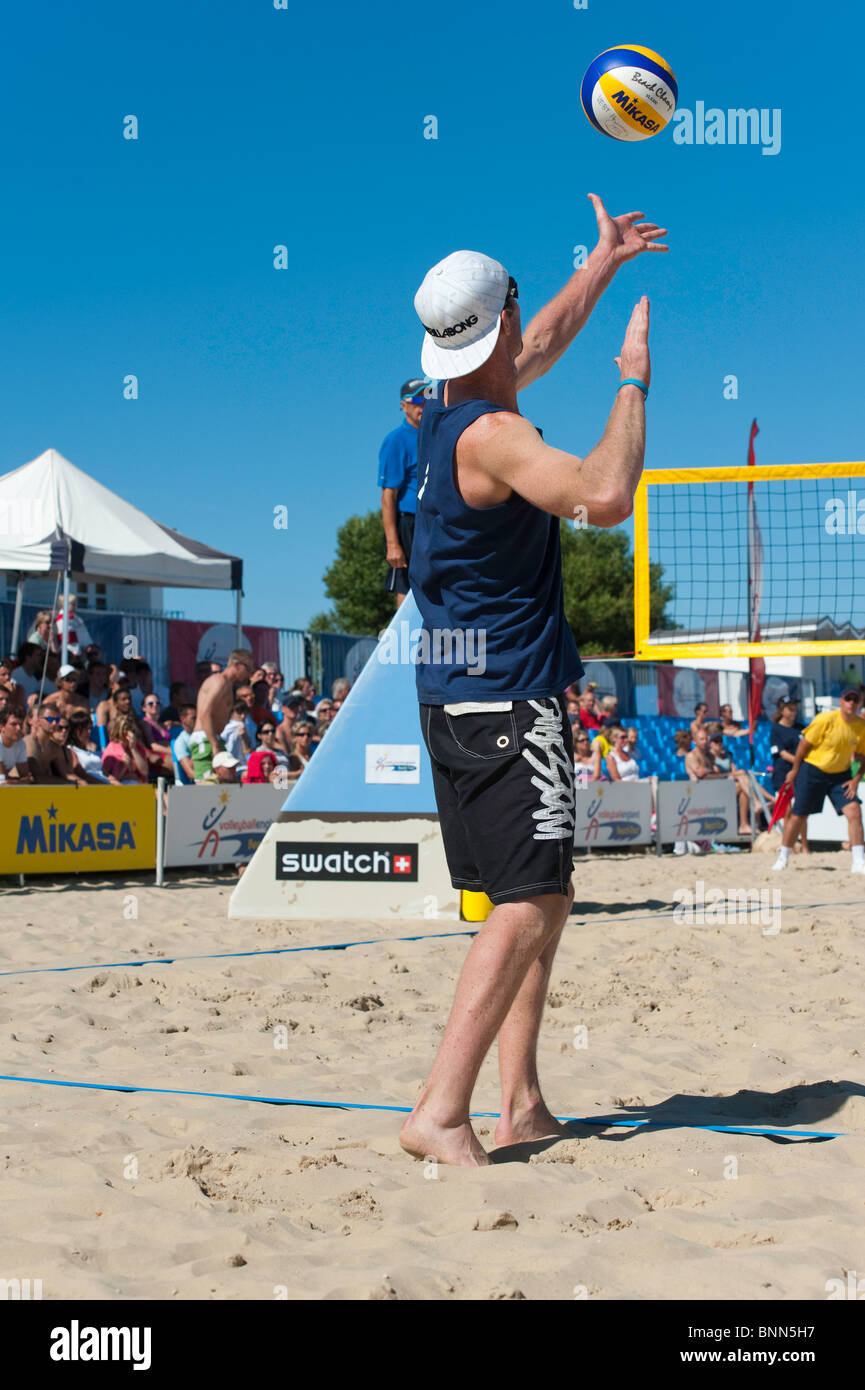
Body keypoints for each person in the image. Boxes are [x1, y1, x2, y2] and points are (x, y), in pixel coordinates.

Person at [400, 197, 667, 1167]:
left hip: (456, 699)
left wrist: (600, 263)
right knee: (522, 905)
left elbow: (537, 339)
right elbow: (601, 496)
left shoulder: (444, 411)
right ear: (496, 320)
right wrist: (632, 384)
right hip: (508, 701)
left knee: (539, 895)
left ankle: (520, 1102)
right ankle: (440, 1109)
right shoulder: (494, 437)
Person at [773, 687, 865, 874]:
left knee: (854, 810)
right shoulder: (826, 719)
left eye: (855, 700)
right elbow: (803, 745)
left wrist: (856, 780)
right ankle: (783, 857)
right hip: (812, 770)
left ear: (860, 703)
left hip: (840, 774)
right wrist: (795, 771)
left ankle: (858, 861)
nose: (851, 703)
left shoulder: (861, 727)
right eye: (848, 699)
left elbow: (863, 756)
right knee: (798, 816)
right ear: (841, 701)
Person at [380, 378, 430, 606]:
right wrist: (393, 543)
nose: (424, 405)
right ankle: (405, 641)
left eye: (428, 398)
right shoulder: (395, 441)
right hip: (409, 523)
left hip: (435, 521)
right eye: (418, 399)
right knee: (409, 588)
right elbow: (388, 496)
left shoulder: (435, 435)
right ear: (404, 405)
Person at [192, 648, 254, 770]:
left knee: (223, 784)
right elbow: (205, 714)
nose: (249, 673)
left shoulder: (229, 686)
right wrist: (214, 744)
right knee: (207, 785)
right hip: (205, 738)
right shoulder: (219, 681)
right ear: (236, 664)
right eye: (248, 668)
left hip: (214, 738)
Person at [686, 727, 752, 835]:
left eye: (705, 739)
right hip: (701, 795)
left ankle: (744, 825)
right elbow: (701, 774)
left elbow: (711, 774)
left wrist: (712, 771)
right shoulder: (691, 756)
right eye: (701, 739)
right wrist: (718, 773)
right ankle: (758, 803)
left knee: (742, 787)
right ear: (695, 741)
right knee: (741, 781)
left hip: (713, 791)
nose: (704, 742)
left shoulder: (709, 756)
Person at [101, 713, 150, 785]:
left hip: (140, 784)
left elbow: (145, 772)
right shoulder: (111, 751)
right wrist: (124, 767)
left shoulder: (137, 747)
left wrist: (133, 749)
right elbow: (109, 780)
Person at [66, 710, 110, 783]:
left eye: (90, 728)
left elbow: (107, 775)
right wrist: (105, 785)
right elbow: (81, 774)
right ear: (75, 731)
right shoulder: (70, 750)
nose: (89, 732)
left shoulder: (91, 752)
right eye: (85, 729)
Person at [0, 708, 32, 782]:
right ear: (1, 727)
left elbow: (26, 778)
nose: (19, 728)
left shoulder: (20, 744)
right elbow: (3, 780)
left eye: (20, 724)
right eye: (13, 724)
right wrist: (18, 781)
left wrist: (14, 781)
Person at [220, 700, 254, 766]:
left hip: (243, 765)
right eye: (239, 712)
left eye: (245, 713)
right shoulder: (226, 728)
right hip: (228, 764)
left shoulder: (249, 726)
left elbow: (248, 754)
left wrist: (243, 738)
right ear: (231, 713)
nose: (243, 716)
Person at [170, 704, 197, 784]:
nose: (198, 721)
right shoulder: (180, 742)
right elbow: (190, 773)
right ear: (183, 719)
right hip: (193, 789)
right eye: (194, 718)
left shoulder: (205, 735)